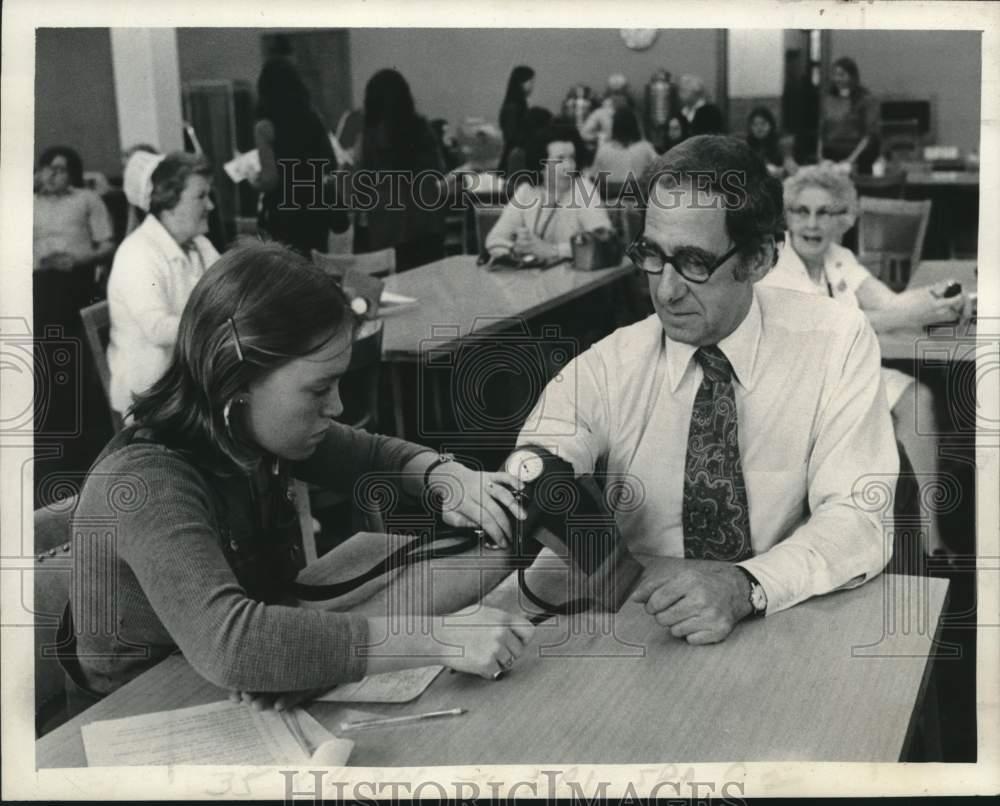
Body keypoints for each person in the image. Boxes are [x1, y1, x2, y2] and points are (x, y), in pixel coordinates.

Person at [63, 241, 535, 712]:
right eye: (318, 389)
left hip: (229, 685)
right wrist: (438, 638)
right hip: (139, 711)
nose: (338, 407)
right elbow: (233, 645)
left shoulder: (241, 428)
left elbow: (372, 455)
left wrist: (445, 475)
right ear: (239, 381)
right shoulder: (149, 483)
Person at [504, 135, 897, 643]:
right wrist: (543, 482)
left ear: (758, 260)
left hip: (785, 615)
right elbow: (533, 464)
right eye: (652, 255)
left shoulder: (836, 341)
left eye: (694, 262)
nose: (665, 291)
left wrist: (746, 585)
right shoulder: (614, 361)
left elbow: (857, 516)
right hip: (643, 619)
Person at [759, 164, 967, 555]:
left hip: (848, 372)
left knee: (917, 399)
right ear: (787, 217)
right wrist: (919, 314)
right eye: (801, 211)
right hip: (800, 387)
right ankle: (879, 549)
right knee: (879, 423)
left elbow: (890, 303)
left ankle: (932, 543)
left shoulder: (839, 257)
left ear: (843, 220)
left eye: (825, 213)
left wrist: (937, 298)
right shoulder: (775, 265)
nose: (812, 223)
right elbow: (838, 325)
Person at [107, 152, 220, 416]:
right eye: (201, 196)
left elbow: (231, 287)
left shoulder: (198, 243)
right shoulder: (138, 253)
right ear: (168, 203)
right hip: (151, 392)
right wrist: (220, 322)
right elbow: (158, 329)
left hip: (189, 379)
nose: (211, 206)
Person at [253, 57, 349, 256]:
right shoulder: (313, 118)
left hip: (284, 213)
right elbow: (330, 163)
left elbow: (271, 179)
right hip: (316, 209)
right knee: (313, 272)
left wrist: (255, 180)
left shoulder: (265, 127)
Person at [359, 68, 449, 270]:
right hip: (426, 221)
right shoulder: (421, 128)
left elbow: (362, 180)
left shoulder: (371, 135)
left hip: (387, 226)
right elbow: (438, 171)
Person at [485, 122, 611, 263]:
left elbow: (604, 241)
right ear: (541, 165)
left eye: (572, 158)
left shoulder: (583, 189)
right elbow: (494, 240)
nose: (569, 167)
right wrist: (516, 250)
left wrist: (553, 251)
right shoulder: (527, 191)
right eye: (560, 160)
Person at [33, 145, 114, 274]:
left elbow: (107, 246)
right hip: (37, 277)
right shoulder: (29, 203)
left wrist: (79, 260)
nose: (51, 175)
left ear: (71, 175)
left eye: (59, 170)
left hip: (77, 273)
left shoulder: (87, 198)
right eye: (47, 168)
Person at [820, 57, 880, 174]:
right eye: (835, 75)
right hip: (831, 155)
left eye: (841, 75)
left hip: (857, 155)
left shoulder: (865, 99)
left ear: (852, 76)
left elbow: (869, 135)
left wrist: (850, 161)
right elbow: (822, 132)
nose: (837, 79)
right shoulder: (829, 99)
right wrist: (821, 158)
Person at [591, 107, 657, 187]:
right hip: (638, 198)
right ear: (635, 125)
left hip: (609, 198)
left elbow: (593, 179)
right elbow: (661, 171)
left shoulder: (603, 150)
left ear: (614, 126)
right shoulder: (646, 148)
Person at [497, 65, 536, 174]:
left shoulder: (516, 104)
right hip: (515, 159)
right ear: (521, 83)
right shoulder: (514, 106)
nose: (532, 86)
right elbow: (512, 135)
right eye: (531, 82)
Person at [745, 107, 785, 176]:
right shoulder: (746, 146)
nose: (759, 128)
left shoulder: (779, 144)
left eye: (763, 123)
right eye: (755, 124)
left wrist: (782, 171)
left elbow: (789, 168)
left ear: (771, 125)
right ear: (750, 127)